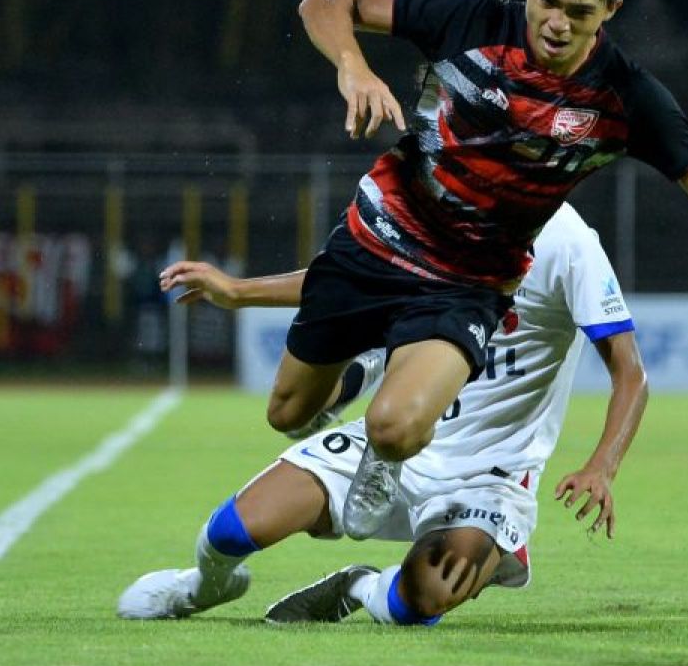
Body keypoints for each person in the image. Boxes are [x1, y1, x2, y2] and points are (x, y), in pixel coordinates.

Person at [275, 0, 688, 540]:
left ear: (611, 9)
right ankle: (361, 372)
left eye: (579, 12)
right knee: (287, 412)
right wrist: (351, 64)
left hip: (470, 282)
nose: (556, 22)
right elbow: (326, 2)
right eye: (547, 0)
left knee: (396, 429)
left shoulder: (626, 98)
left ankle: (384, 454)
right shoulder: (467, 19)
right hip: (377, 240)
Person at [118, 204, 648, 626]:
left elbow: (631, 375)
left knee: (423, 598)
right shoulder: (439, 213)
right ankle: (200, 587)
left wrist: (603, 465)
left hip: (488, 477)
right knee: (233, 532)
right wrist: (238, 291)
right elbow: (346, 277)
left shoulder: (570, 242)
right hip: (388, 445)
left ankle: (359, 586)